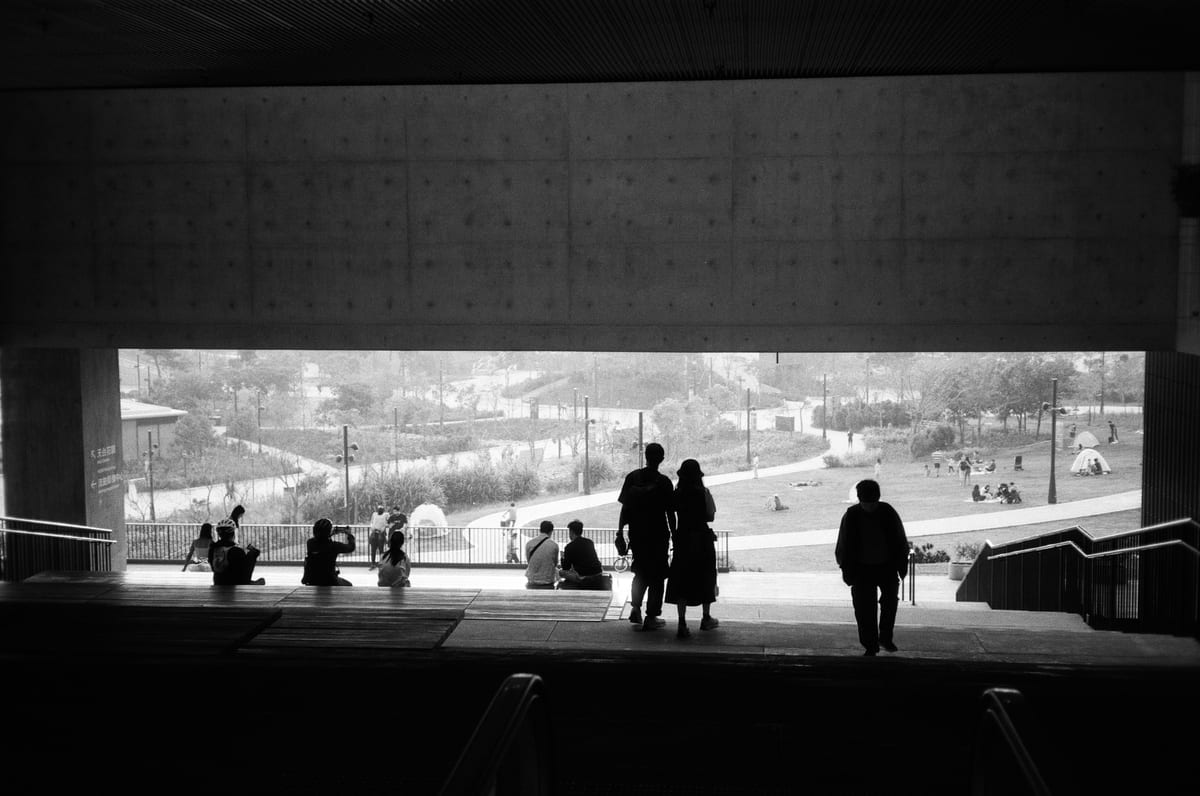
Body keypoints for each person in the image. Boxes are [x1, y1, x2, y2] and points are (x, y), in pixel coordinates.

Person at [835, 479, 909, 656]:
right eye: (866, 503)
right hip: (862, 570)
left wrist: (901, 565)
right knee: (864, 609)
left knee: (889, 605)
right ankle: (871, 645)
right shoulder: (853, 515)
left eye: (872, 503)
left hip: (886, 567)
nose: (869, 507)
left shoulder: (886, 512)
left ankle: (885, 638)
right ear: (860, 499)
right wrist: (847, 569)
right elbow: (844, 545)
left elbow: (900, 540)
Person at [617, 442, 676, 630]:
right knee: (657, 577)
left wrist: (620, 532)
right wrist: (675, 536)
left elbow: (624, 509)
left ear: (645, 457)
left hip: (637, 534)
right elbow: (670, 513)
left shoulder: (632, 478)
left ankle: (635, 607)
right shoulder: (664, 482)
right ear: (662, 459)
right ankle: (652, 615)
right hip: (658, 535)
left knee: (640, 572)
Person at [665, 459, 719, 639]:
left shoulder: (677, 493)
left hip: (683, 539)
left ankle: (682, 623)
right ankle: (706, 618)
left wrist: (674, 532)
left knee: (682, 579)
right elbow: (710, 516)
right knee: (706, 576)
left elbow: (670, 513)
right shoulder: (703, 492)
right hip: (702, 539)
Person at [210, 518, 265, 585]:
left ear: (219, 534)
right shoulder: (236, 551)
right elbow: (244, 573)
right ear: (233, 534)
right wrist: (252, 554)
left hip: (218, 582)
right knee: (252, 554)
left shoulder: (212, 549)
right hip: (235, 584)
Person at [302, 518, 356, 586]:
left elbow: (321, 539)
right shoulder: (334, 546)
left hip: (312, 580)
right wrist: (349, 535)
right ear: (328, 531)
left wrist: (331, 534)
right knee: (349, 585)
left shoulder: (310, 543)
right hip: (330, 580)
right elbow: (351, 547)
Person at [558, 520, 609, 590]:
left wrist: (562, 557)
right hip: (597, 573)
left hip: (583, 577)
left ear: (571, 532)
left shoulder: (569, 547)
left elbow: (566, 568)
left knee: (561, 572)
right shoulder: (589, 542)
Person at [524, 520, 559, 589]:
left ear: (540, 529)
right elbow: (555, 563)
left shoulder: (529, 544)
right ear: (551, 531)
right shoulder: (554, 545)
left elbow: (529, 561)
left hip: (532, 580)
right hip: (548, 581)